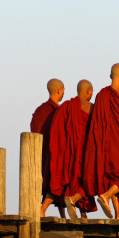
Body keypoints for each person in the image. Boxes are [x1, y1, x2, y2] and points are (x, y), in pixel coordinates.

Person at [83, 63, 119, 219]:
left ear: (110, 76)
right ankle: (106, 196)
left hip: (105, 144)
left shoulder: (101, 95)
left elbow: (97, 122)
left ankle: (118, 213)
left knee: (112, 177)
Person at [49, 80, 98, 219]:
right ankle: (75, 200)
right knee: (90, 179)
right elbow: (98, 131)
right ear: (88, 91)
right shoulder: (92, 108)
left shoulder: (66, 106)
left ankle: (82, 213)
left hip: (70, 152)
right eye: (92, 92)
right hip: (86, 151)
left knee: (75, 179)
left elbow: (57, 129)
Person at [30, 78, 65, 217]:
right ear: (58, 91)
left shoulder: (39, 111)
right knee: (57, 182)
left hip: (39, 153)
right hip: (52, 153)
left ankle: (62, 215)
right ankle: (42, 210)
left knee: (52, 183)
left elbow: (34, 130)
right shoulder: (58, 112)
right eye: (63, 91)